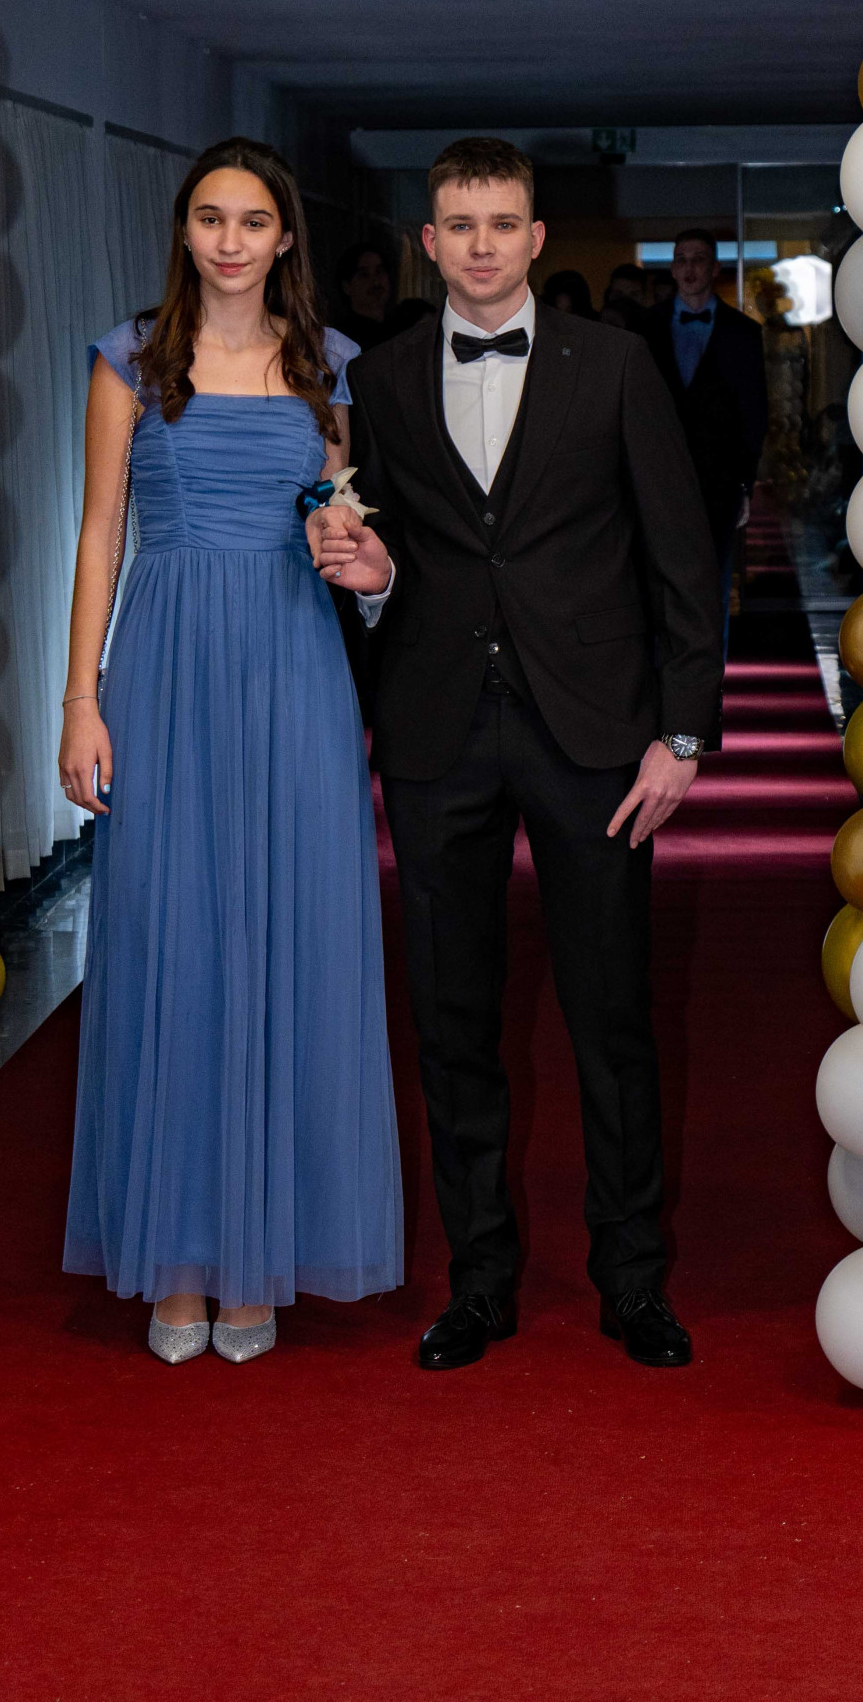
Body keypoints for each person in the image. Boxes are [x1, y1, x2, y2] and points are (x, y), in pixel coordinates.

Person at [311, 138, 723, 1373]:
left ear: (536, 238)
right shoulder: (381, 378)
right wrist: (370, 579)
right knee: (453, 1021)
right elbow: (379, 555)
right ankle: (479, 1280)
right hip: (438, 729)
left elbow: (682, 553)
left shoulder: (615, 364)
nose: (481, 244)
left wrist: (682, 732)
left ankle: (633, 1279)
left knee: (612, 1016)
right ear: (427, 243)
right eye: (459, 224)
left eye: (502, 223)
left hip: (593, 730)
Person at [60, 137, 402, 1367]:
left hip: (293, 665)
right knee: (176, 936)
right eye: (210, 217)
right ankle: (182, 1258)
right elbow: (100, 533)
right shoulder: (130, 357)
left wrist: (361, 563)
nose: (230, 240)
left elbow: (338, 521)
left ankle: (259, 1252)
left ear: (285, 236)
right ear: (185, 229)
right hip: (163, 664)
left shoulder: (328, 365)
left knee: (285, 936)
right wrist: (80, 701)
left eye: (253, 220)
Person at [640, 228, 769, 629]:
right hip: (656, 477)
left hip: (719, 479)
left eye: (698, 260)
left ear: (714, 268)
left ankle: (709, 666)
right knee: (656, 583)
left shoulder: (743, 332)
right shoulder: (643, 327)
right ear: (672, 268)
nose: (689, 268)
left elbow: (754, 411)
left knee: (714, 583)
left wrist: (745, 482)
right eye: (681, 260)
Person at [334, 241, 395, 349]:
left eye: (379, 271)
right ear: (347, 286)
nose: (376, 282)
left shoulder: (400, 328)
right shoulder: (341, 341)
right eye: (364, 275)